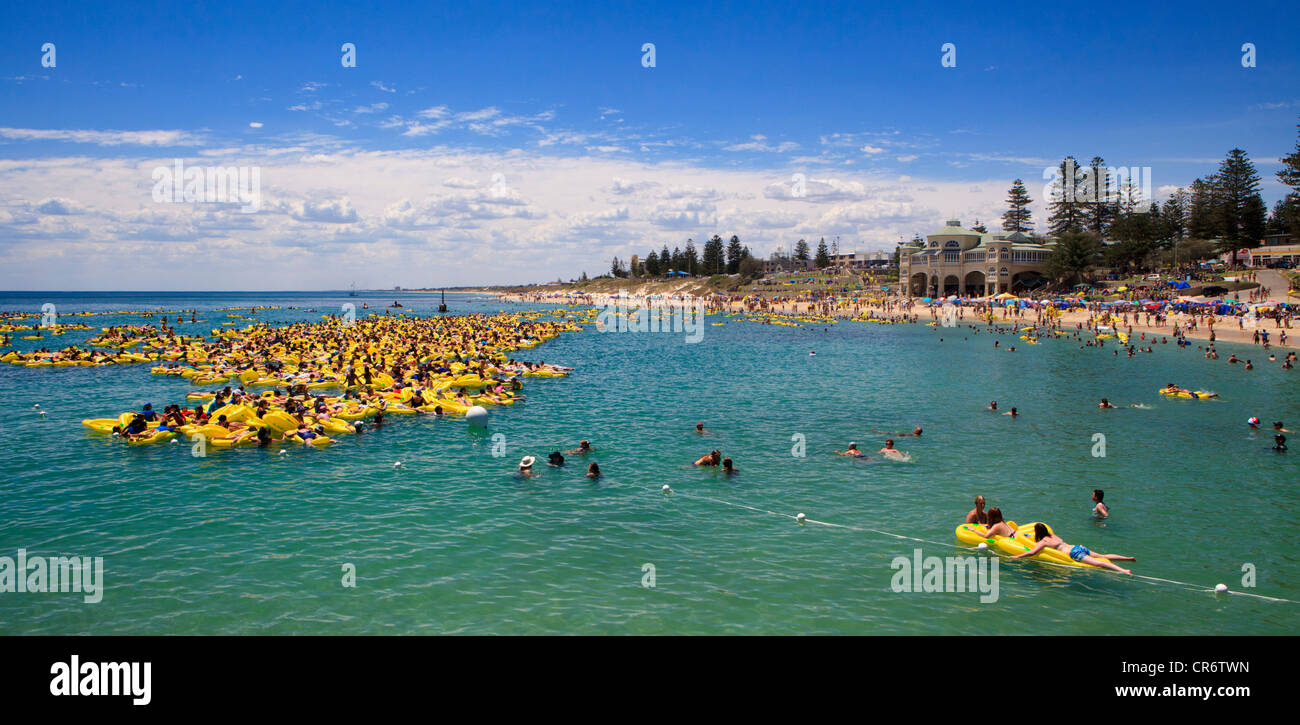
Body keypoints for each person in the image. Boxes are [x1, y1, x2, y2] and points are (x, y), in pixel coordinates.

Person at [1012, 523, 1134, 575]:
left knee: (1099, 563)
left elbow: (1032, 552)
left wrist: (1017, 556)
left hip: (1074, 553)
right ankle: (1127, 558)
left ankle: (1123, 571)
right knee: (1103, 556)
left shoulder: (1044, 541)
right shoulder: (1052, 535)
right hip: (1078, 547)